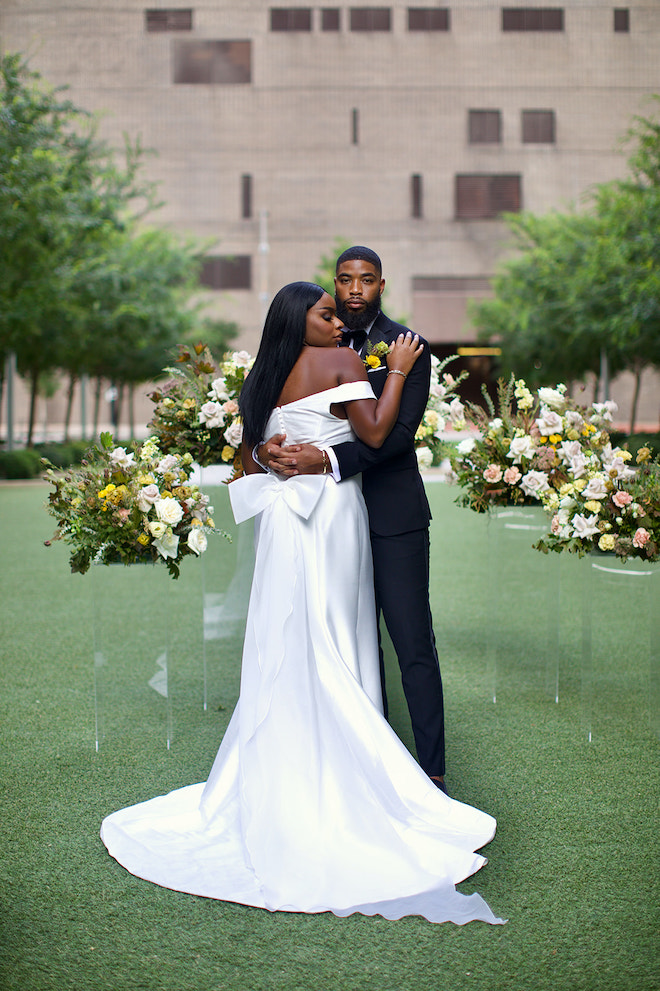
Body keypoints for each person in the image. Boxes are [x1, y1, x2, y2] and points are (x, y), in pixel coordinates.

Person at [100, 282, 502, 925]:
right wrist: (395, 372)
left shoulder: (263, 376)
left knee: (288, 633)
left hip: (284, 524)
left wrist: (267, 451)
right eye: (324, 311)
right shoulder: (344, 361)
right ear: (300, 321)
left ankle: (286, 766)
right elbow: (373, 432)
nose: (339, 316)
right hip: (331, 516)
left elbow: (244, 458)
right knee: (335, 630)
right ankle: (354, 774)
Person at [258, 247, 447, 793]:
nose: (355, 290)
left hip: (391, 515)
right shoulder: (313, 345)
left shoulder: (406, 347)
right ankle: (368, 766)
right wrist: (270, 452)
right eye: (345, 281)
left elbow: (395, 437)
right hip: (324, 522)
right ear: (334, 287)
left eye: (367, 280)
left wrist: (328, 460)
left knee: (411, 644)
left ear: (382, 285)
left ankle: (432, 772)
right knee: (347, 639)